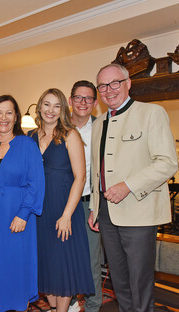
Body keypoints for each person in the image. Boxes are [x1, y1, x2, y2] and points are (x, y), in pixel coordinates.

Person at [89, 63, 178, 312]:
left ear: (128, 83)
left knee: (140, 280)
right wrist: (95, 209)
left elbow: (168, 162)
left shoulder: (152, 113)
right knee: (119, 280)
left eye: (115, 83)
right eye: (103, 86)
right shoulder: (98, 124)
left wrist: (128, 186)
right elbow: (97, 172)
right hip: (106, 213)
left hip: (139, 211)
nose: (109, 90)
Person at [0, 95, 45, 312]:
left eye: (9, 112)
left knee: (16, 268)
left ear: (16, 117)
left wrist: (24, 213)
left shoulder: (27, 144)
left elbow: (37, 182)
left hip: (17, 215)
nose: (3, 117)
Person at [28, 88, 94, 312]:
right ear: (39, 107)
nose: (51, 110)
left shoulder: (70, 134)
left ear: (63, 109)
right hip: (39, 212)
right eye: (46, 104)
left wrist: (66, 216)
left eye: (56, 106)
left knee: (63, 267)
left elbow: (80, 177)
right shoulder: (30, 137)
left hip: (63, 210)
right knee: (47, 267)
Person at [68, 81, 102, 312]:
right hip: (60, 205)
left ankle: (92, 306)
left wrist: (99, 207)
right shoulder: (57, 127)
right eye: (78, 98)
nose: (83, 103)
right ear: (70, 101)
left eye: (88, 98)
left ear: (95, 103)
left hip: (90, 203)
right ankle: (67, 302)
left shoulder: (103, 127)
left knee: (91, 260)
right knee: (64, 258)